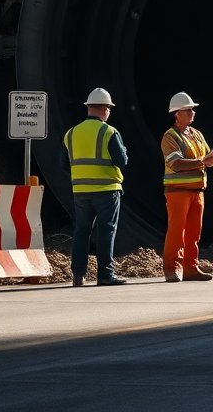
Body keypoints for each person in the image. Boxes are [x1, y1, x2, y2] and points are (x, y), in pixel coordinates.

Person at [64, 87, 128, 287]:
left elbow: (62, 162)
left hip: (81, 191)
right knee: (106, 230)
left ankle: (78, 274)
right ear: (104, 109)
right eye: (109, 108)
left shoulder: (71, 133)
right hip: (107, 189)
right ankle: (105, 274)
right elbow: (122, 160)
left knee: (82, 231)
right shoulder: (109, 132)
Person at [161, 91, 213, 283]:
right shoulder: (169, 137)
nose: (192, 113)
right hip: (178, 192)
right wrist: (203, 161)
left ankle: (190, 267)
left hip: (197, 191)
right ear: (177, 114)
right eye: (187, 110)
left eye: (192, 110)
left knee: (193, 233)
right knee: (176, 231)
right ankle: (172, 268)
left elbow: (205, 159)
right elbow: (176, 164)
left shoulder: (196, 134)